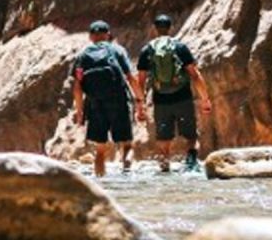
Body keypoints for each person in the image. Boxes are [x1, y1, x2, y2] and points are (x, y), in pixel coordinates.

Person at [137, 14, 213, 172]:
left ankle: (165, 166)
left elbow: (141, 80)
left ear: (155, 29)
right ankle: (191, 164)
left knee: (164, 137)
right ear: (170, 28)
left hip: (160, 100)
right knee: (191, 134)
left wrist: (140, 104)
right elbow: (194, 75)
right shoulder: (180, 47)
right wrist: (205, 99)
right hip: (183, 97)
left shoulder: (147, 50)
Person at [71, 20, 145, 177]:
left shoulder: (82, 56)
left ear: (90, 36)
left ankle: (101, 184)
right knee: (127, 145)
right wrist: (140, 101)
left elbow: (77, 86)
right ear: (108, 34)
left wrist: (79, 111)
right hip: (119, 101)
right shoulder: (117, 50)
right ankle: (127, 176)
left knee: (100, 150)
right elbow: (131, 78)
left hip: (95, 103)